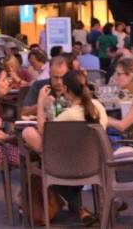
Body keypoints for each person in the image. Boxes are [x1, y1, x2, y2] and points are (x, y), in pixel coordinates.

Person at [22, 71, 107, 224]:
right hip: (93, 164)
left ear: (66, 89)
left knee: (33, 140)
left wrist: (41, 102)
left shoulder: (69, 114)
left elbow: (44, 131)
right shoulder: (99, 107)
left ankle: (80, 208)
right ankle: (86, 209)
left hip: (65, 167)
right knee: (47, 158)